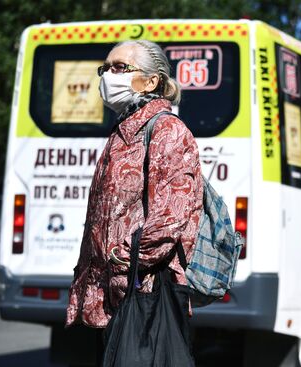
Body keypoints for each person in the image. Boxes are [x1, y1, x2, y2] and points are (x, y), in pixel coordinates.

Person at [65, 40, 203, 361]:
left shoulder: (168, 131)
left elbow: (171, 218)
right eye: (106, 68)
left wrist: (122, 259)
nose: (108, 76)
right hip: (104, 298)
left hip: (141, 296)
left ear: (152, 81)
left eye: (120, 68)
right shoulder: (120, 134)